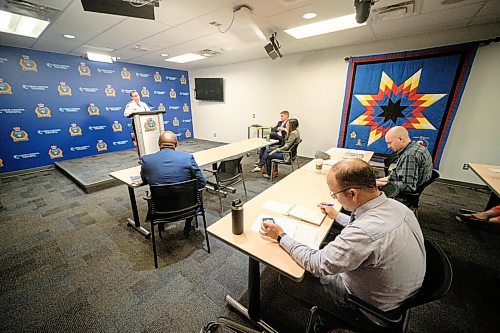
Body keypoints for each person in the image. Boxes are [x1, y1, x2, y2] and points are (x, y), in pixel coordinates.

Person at [261, 159, 426, 330]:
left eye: (334, 194)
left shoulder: (364, 232)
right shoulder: (399, 208)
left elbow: (317, 264)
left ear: (353, 194)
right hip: (396, 294)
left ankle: (329, 317)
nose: (335, 198)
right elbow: (369, 228)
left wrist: (281, 236)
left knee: (290, 276)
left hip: (369, 309)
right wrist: (337, 215)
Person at [140, 131, 206, 237]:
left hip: (160, 210)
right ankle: (187, 226)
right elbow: (202, 183)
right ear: (176, 144)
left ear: (159, 144)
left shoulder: (146, 160)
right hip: (188, 207)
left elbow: (144, 180)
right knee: (189, 195)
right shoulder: (187, 158)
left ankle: (161, 225)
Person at [376, 126, 433, 202]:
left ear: (400, 139)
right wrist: (377, 181)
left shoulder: (409, 155)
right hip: (409, 187)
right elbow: (397, 175)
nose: (388, 146)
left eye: (390, 143)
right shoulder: (417, 148)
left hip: (403, 196)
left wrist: (382, 184)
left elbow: (408, 186)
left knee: (367, 196)